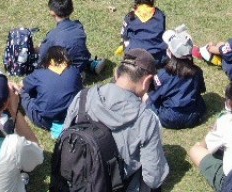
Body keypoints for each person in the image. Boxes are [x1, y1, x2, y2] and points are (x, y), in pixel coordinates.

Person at [61, 49, 169, 192]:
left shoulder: (83, 97)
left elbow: (64, 137)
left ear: (117, 74)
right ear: (147, 81)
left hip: (76, 180)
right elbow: (154, 178)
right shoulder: (147, 119)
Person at [188, 78, 232, 191]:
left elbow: (207, 146)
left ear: (231, 103)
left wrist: (202, 142)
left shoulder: (226, 121)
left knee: (195, 150)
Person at [148, 27, 206, 129]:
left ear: (169, 53)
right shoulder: (197, 72)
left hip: (170, 118)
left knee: (148, 102)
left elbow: (154, 97)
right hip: (194, 116)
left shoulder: (162, 76)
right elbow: (201, 90)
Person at [20, 46, 82, 130]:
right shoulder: (74, 70)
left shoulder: (39, 73)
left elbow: (23, 85)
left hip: (45, 120)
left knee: (24, 92)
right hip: (71, 115)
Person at [37, 0, 100, 76]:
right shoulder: (78, 26)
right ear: (72, 9)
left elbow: (42, 57)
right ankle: (90, 65)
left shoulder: (53, 36)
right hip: (82, 62)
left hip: (66, 72)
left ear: (52, 13)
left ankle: (76, 76)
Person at [120, 0, 167, 64]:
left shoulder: (130, 17)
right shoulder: (160, 15)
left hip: (135, 59)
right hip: (157, 59)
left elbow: (124, 37)